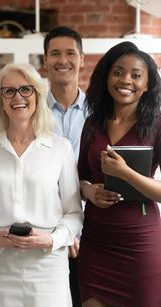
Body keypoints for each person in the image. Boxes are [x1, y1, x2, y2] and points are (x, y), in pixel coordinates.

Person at [0, 63, 83, 307]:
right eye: (8, 91)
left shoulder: (60, 148)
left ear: (37, 95)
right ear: (0, 100)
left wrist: (52, 240)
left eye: (25, 90)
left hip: (48, 265)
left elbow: (74, 214)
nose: (17, 97)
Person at [78, 41, 161, 306]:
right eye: (118, 72)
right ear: (106, 77)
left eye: (136, 75)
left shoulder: (157, 125)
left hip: (140, 243)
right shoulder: (92, 124)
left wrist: (125, 173)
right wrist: (89, 190)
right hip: (96, 242)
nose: (126, 80)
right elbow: (80, 177)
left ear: (147, 84)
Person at [43, 26, 87, 307]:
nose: (63, 60)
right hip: (45, 230)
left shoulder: (101, 112)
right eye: (54, 54)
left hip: (94, 231)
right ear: (44, 61)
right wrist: (62, 231)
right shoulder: (30, 112)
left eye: (70, 53)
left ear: (82, 59)